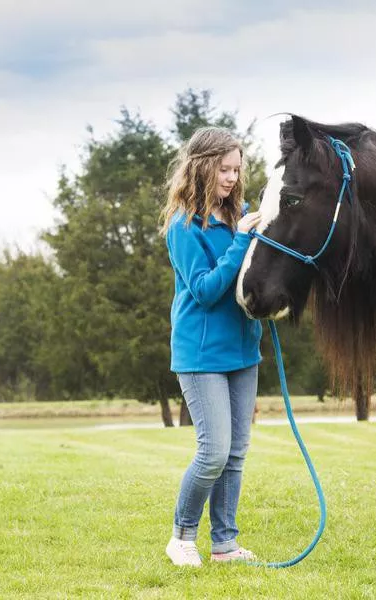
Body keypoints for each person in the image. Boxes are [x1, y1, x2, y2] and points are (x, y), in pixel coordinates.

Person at [159, 126, 263, 567]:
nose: (232, 178)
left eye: (237, 169)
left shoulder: (235, 214)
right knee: (213, 451)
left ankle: (224, 544)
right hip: (201, 354)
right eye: (224, 169)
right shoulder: (183, 227)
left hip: (243, 349)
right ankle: (181, 537)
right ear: (203, 168)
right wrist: (241, 240)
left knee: (236, 453)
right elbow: (203, 290)